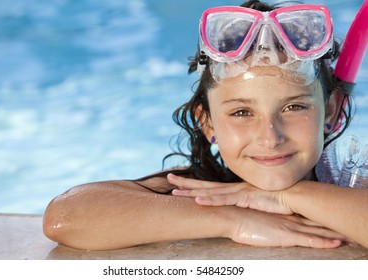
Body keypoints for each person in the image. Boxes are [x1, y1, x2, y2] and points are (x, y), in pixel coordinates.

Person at [43, 0, 368, 251]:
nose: (270, 137)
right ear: (208, 123)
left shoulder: (350, 176)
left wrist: (290, 197)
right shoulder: (204, 192)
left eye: (294, 106)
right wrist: (232, 219)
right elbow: (66, 217)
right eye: (241, 112)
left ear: (330, 110)